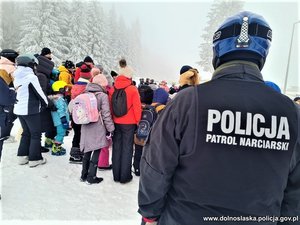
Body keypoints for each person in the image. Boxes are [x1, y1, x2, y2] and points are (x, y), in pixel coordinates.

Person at [138, 11, 300, 225]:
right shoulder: (292, 114)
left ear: (218, 52)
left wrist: (150, 212)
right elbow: (295, 192)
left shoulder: (187, 102)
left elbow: (156, 166)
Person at [14, 54, 48, 167]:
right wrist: (47, 104)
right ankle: (35, 158)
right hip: (30, 109)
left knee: (26, 132)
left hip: (19, 109)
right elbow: (40, 93)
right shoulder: (31, 77)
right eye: (34, 65)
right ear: (30, 64)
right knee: (35, 134)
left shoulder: (17, 75)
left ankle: (22, 156)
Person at [80, 75, 115, 184]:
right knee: (97, 148)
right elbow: (106, 114)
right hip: (97, 125)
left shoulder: (85, 93)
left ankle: (84, 175)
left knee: (87, 149)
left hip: (85, 125)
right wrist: (111, 128)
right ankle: (92, 177)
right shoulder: (102, 96)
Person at [109, 70, 142, 183]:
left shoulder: (113, 88)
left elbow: (110, 105)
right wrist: (138, 122)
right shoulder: (133, 89)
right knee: (127, 149)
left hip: (116, 122)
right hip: (129, 123)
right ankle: (125, 176)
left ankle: (116, 175)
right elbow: (137, 108)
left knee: (116, 148)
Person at [69, 64, 92, 163]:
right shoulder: (87, 87)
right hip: (83, 114)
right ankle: (78, 155)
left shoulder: (75, 86)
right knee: (82, 134)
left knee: (76, 134)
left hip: (74, 113)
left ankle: (74, 154)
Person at [0, 49, 19, 161]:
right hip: (6, 94)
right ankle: (5, 134)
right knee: (9, 116)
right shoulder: (11, 68)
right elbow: (16, 82)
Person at [36, 52, 56, 152]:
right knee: (39, 128)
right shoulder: (42, 77)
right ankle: (36, 148)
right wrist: (50, 103)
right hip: (42, 106)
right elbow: (42, 93)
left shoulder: (39, 74)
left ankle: (38, 146)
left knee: (39, 127)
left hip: (41, 105)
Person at [133, 85, 154, 176]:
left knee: (137, 151)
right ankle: (145, 169)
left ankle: (137, 169)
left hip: (137, 135)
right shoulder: (153, 109)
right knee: (146, 153)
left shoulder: (137, 107)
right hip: (148, 136)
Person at [50, 81, 70, 156]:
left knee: (60, 133)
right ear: (60, 89)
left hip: (58, 121)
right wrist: (64, 120)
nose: (67, 90)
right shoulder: (60, 100)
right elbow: (61, 110)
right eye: (65, 89)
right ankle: (56, 148)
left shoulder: (57, 98)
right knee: (61, 134)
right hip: (60, 121)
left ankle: (55, 145)